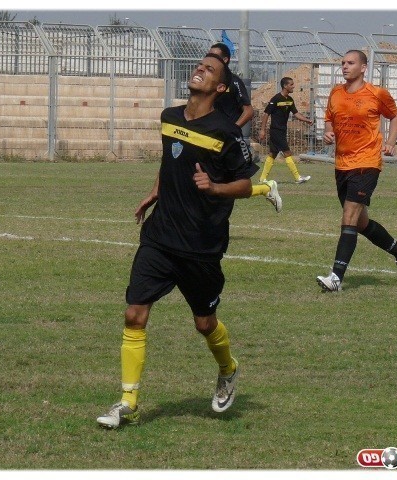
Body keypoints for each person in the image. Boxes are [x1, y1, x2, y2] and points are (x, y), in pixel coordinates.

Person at [96, 53, 256, 429]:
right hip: (160, 236)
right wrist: (155, 190)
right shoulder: (169, 117)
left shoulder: (226, 131)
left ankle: (228, 369)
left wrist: (214, 187)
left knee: (204, 323)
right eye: (200, 65)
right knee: (134, 314)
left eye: (209, 70)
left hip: (201, 244)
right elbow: (170, 159)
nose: (200, 69)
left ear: (220, 87)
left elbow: (246, 184)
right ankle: (128, 402)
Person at [316, 50, 397, 292]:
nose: (345, 66)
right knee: (360, 223)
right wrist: (328, 132)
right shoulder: (336, 92)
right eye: (343, 63)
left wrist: (390, 142)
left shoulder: (377, 93)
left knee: (349, 216)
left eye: (351, 63)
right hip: (342, 164)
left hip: (367, 163)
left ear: (363, 68)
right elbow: (329, 118)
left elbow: (395, 117)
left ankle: (336, 277)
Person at [209, 41, 282, 213]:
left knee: (232, 186)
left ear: (225, 60)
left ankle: (265, 188)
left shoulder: (234, 82)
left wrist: (231, 129)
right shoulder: (208, 81)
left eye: (214, 56)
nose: (210, 59)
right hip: (209, 137)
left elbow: (248, 111)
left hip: (229, 140)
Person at [258, 77, 314, 184]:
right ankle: (297, 178)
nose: (293, 86)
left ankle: (262, 178)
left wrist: (307, 120)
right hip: (276, 131)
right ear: (285, 86)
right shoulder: (275, 99)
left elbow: (296, 114)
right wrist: (262, 130)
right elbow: (266, 114)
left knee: (272, 154)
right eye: (291, 84)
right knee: (287, 152)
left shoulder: (290, 100)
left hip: (282, 130)